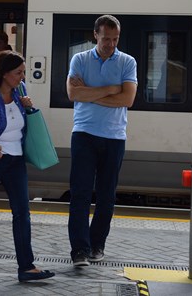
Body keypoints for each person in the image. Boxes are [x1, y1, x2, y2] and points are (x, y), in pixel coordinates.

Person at [0, 50, 55, 282]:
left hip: (15, 160)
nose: (22, 77)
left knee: (22, 213)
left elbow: (24, 125)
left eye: (23, 72)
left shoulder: (20, 94)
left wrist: (29, 108)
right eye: (18, 73)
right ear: (4, 73)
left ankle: (26, 266)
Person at [66, 14, 137, 267]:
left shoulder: (128, 62)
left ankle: (97, 245)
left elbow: (127, 100)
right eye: (106, 39)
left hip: (115, 137)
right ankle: (79, 250)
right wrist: (111, 89)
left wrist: (90, 94)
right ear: (95, 35)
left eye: (115, 39)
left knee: (106, 196)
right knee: (80, 194)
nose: (111, 44)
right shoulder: (80, 59)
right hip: (84, 134)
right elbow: (73, 93)